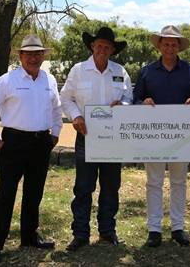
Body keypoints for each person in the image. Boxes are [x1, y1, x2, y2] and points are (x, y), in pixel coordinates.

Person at [0, 34, 63, 264]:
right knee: (6, 194)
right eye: (29, 54)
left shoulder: (50, 80)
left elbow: (57, 110)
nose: (34, 58)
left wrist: (55, 133)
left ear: (43, 57)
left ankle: (29, 236)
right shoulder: (8, 80)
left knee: (34, 193)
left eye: (38, 54)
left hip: (41, 143)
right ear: (21, 56)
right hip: (13, 143)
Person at [133, 25, 190, 247]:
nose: (170, 47)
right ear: (159, 45)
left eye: (174, 44)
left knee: (179, 182)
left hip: (182, 137)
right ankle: (154, 229)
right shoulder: (146, 72)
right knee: (153, 182)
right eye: (166, 43)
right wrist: (142, 102)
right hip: (153, 137)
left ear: (179, 47)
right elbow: (135, 100)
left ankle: (178, 227)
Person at [60, 27, 132, 250]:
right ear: (92, 46)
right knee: (83, 187)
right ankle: (80, 233)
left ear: (112, 50)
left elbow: (130, 98)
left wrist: (124, 106)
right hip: (86, 137)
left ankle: (107, 231)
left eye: (107, 46)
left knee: (111, 186)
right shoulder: (79, 70)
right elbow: (65, 99)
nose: (102, 49)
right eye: (99, 45)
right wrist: (76, 116)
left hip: (112, 139)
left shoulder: (120, 72)